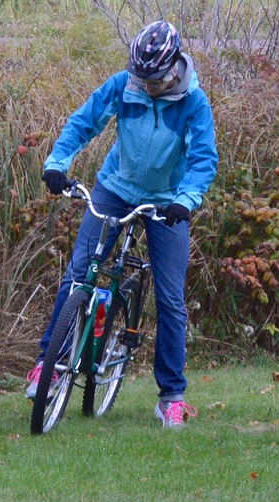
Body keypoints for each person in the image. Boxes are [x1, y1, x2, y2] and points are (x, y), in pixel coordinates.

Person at [34, 21, 218, 427]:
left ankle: (171, 396)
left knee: (170, 298)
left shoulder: (194, 103)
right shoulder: (125, 84)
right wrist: (56, 162)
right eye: (140, 77)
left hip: (167, 203)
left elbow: (204, 160)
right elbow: (84, 122)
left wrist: (185, 201)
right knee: (78, 274)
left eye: (153, 79)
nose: (145, 85)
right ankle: (47, 363)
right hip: (114, 188)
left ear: (173, 69)